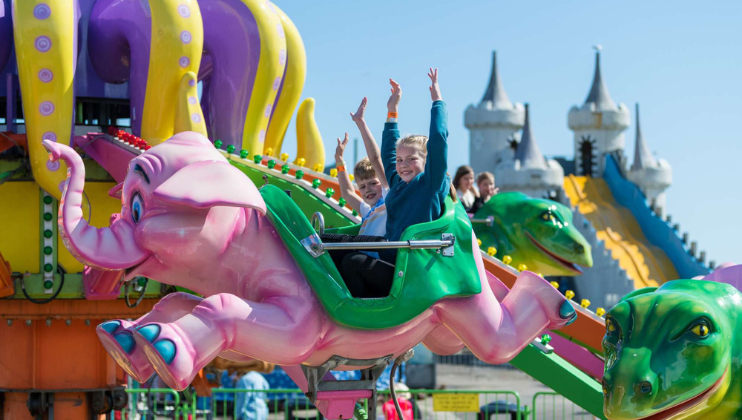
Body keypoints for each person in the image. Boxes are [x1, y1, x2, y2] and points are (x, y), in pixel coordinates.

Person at [340, 68, 449, 298]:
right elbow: (387, 153)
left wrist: (437, 102)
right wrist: (392, 111)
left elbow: (438, 141)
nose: (403, 165)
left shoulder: (429, 186)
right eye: (400, 160)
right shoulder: (398, 185)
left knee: (353, 261)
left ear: (426, 161)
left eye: (411, 159)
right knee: (328, 247)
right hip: (393, 262)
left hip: (411, 272)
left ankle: (363, 319)